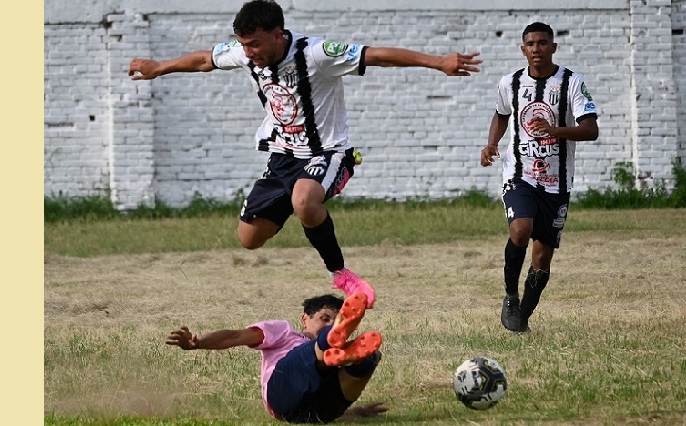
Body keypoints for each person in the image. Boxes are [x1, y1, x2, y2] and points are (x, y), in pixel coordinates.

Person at [129, 0, 482, 306]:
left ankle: (341, 273)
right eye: (244, 45)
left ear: (278, 35)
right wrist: (159, 68)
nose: (248, 52)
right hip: (282, 156)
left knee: (305, 200)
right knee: (249, 239)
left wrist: (438, 62)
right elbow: (205, 60)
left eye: (254, 44)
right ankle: (299, 202)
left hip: (326, 152)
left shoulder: (316, 54)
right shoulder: (245, 52)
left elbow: (377, 55)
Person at [479, 22, 600, 332]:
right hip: (519, 174)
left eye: (543, 43)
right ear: (523, 49)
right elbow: (501, 114)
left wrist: (554, 130)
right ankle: (510, 297)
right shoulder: (510, 83)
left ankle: (522, 316)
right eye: (531, 44)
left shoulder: (571, 82)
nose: (537, 49)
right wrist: (491, 144)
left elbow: (590, 129)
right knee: (521, 230)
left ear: (553, 47)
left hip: (557, 181)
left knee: (542, 258)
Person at [166, 292, 385, 423]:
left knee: (369, 358)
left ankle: (346, 356)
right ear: (305, 319)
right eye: (325, 318)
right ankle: (331, 346)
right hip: (281, 393)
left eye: (334, 322)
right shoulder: (284, 332)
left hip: (314, 413)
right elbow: (235, 336)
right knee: (324, 350)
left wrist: (353, 414)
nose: (327, 323)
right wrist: (198, 343)